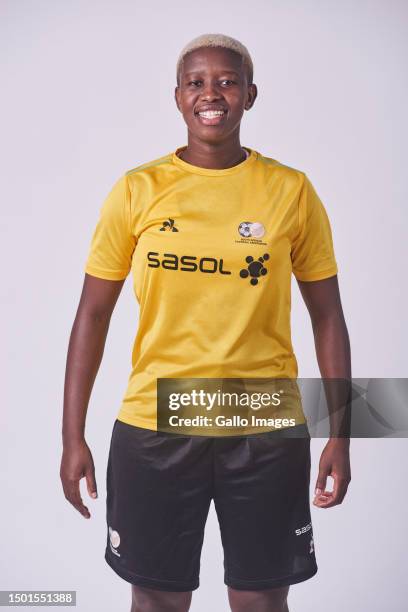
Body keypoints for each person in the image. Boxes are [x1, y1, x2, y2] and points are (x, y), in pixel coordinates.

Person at [60, 33, 351, 612]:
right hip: (155, 424)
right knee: (159, 602)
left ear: (250, 94)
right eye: (196, 82)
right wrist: (72, 434)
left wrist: (340, 434)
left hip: (264, 423)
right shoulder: (137, 190)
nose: (211, 94)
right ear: (177, 96)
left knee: (261, 601)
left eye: (226, 81)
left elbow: (329, 318)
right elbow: (92, 314)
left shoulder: (290, 191)